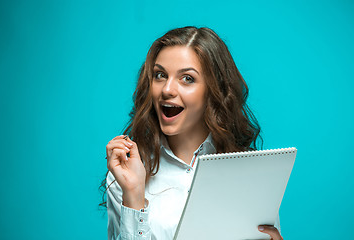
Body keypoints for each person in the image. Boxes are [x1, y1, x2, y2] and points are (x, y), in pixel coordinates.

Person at [102, 26, 283, 240]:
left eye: (187, 78)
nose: (167, 89)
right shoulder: (127, 174)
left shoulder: (253, 172)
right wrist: (133, 195)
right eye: (160, 75)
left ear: (213, 90)